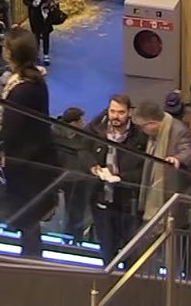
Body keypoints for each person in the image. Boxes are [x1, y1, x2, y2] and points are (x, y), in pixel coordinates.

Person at [0, 27, 58, 258]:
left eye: (4, 46)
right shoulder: (34, 81)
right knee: (29, 221)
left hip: (26, 165)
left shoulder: (22, 89)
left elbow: (11, 128)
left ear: (11, 53)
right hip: (32, 162)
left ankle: (30, 262)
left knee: (28, 221)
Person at [81, 95, 148, 265]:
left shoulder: (140, 137)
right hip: (101, 199)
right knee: (107, 249)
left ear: (129, 113)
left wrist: (122, 178)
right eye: (112, 111)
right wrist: (93, 167)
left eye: (121, 112)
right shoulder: (96, 129)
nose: (116, 116)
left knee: (130, 251)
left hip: (128, 203)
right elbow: (83, 149)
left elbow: (145, 169)